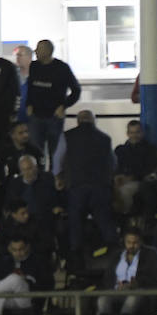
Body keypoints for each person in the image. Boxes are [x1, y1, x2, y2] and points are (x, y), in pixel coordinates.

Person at [52, 109, 116, 260]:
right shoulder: (105, 138)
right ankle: (113, 253)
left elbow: (57, 160)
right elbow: (113, 163)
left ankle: (76, 257)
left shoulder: (67, 136)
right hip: (100, 187)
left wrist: (58, 177)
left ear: (78, 121)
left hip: (76, 186)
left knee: (76, 223)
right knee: (104, 221)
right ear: (94, 121)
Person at [95, 229, 157, 315]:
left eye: (135, 243)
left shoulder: (150, 255)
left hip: (140, 294)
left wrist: (136, 284)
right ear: (124, 242)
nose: (131, 246)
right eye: (129, 242)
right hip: (117, 292)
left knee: (132, 299)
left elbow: (155, 277)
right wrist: (117, 286)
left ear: (140, 242)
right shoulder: (117, 255)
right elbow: (108, 278)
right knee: (102, 300)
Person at [25, 39, 81, 166]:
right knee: (35, 152)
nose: (35, 51)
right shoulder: (34, 66)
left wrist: (64, 106)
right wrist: (28, 104)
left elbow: (76, 90)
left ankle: (55, 176)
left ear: (47, 51)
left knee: (55, 153)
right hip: (35, 116)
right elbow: (30, 87)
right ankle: (38, 176)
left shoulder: (62, 68)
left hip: (54, 117)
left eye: (39, 49)